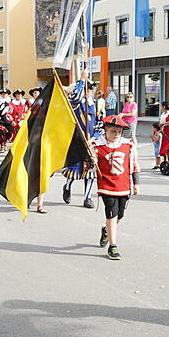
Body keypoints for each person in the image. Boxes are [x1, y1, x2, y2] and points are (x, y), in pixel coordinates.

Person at [94, 115, 140, 260]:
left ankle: (106, 230)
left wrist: (136, 183)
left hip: (124, 185)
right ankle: (113, 246)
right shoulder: (97, 146)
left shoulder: (129, 145)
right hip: (106, 185)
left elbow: (134, 164)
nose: (116, 134)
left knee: (120, 215)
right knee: (111, 213)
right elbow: (89, 168)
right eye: (113, 131)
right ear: (106, 130)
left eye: (119, 132)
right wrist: (90, 161)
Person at [61, 73, 98, 209]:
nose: (89, 91)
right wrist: (82, 80)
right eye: (87, 88)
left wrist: (94, 138)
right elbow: (75, 96)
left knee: (90, 172)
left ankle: (87, 198)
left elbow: (100, 123)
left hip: (91, 143)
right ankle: (67, 186)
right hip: (77, 141)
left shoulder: (95, 104)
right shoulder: (75, 102)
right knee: (74, 170)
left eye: (91, 89)